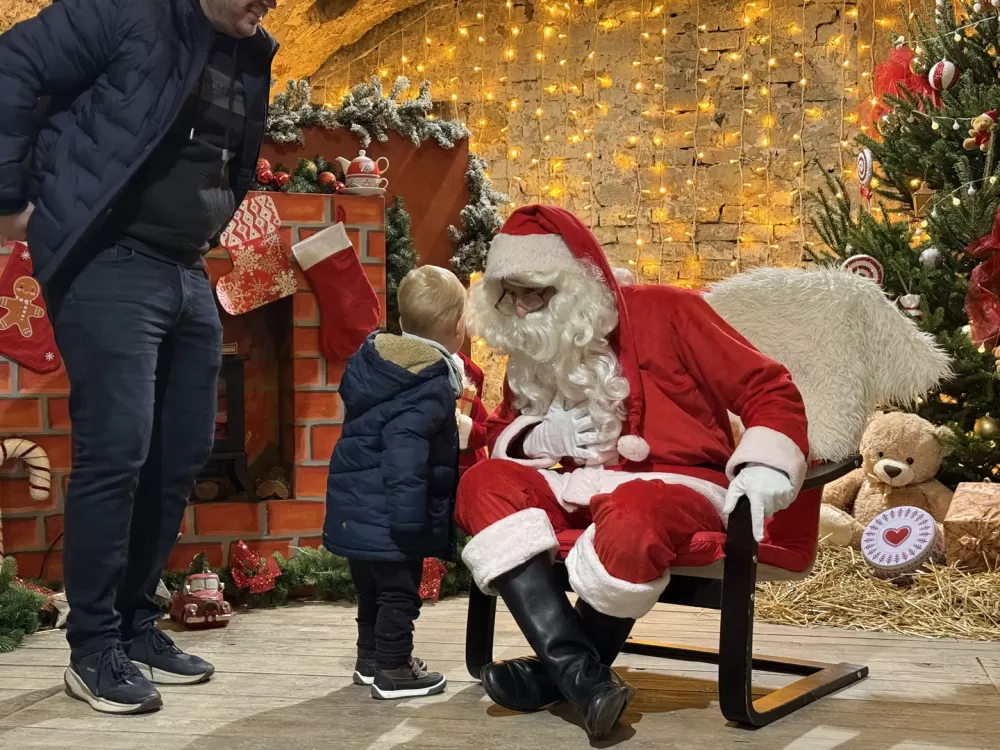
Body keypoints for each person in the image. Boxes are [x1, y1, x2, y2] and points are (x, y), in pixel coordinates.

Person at [0, 0, 278, 715]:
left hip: (186, 268)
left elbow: (226, 156)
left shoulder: (251, 49)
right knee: (117, 452)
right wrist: (7, 199)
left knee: (181, 454)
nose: (271, 2)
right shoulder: (129, 9)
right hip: (109, 259)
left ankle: (134, 626)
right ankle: (93, 649)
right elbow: (13, 60)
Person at [457, 205, 809, 739]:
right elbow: (504, 430)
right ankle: (585, 679)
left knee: (634, 511)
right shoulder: (536, 340)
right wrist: (544, 438)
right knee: (482, 483)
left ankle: (560, 674)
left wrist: (764, 466)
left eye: (536, 293)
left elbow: (768, 387)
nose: (523, 309)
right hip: (579, 486)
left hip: (678, 486)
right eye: (509, 295)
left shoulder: (669, 310)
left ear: (573, 285)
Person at [323, 259, 470, 700]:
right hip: (392, 516)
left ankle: (369, 661)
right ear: (457, 327)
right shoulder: (427, 381)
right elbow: (405, 452)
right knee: (399, 594)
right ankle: (394, 669)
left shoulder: (378, 364)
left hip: (359, 508)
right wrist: (410, 524)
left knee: (371, 591)